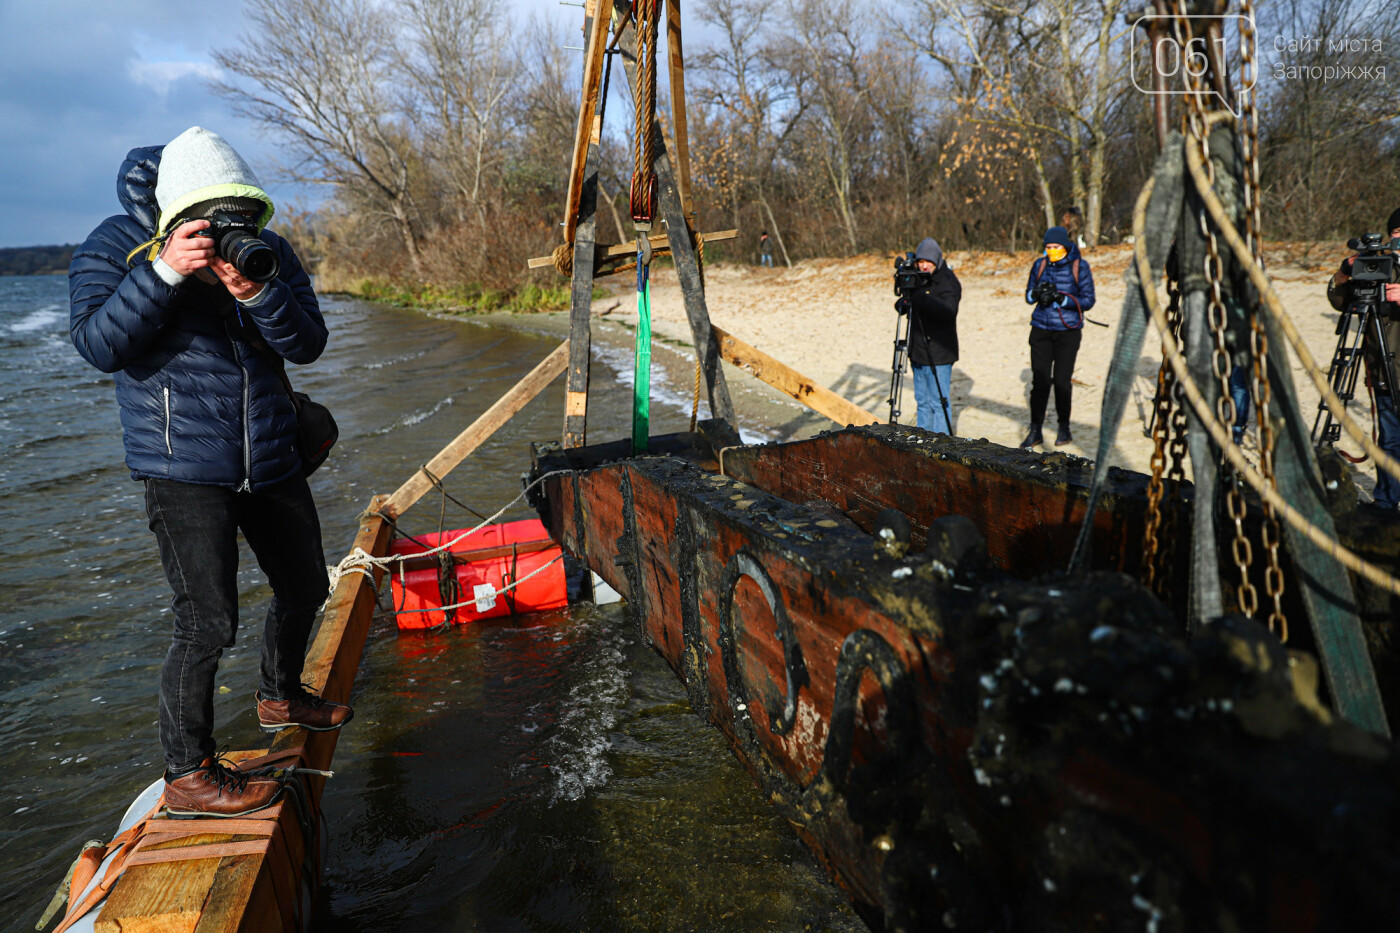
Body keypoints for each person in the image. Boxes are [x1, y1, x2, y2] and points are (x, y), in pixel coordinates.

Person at [68, 127, 351, 817]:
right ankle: (188, 772)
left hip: (270, 449)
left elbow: (308, 341)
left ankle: (282, 693)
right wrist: (164, 270)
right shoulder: (115, 243)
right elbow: (98, 344)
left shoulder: (265, 249)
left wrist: (257, 292)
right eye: (214, 216)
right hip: (181, 465)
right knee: (206, 621)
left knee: (306, 582)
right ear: (180, 210)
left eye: (241, 214)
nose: (230, 228)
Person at [1326, 207, 1400, 510]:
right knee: (1390, 440)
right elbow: (1339, 301)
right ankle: (1386, 502)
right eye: (1395, 235)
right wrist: (1344, 273)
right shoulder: (1378, 266)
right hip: (1385, 369)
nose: (1398, 242)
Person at [1020, 226, 1096, 448]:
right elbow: (1027, 295)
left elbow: (1088, 300)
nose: (1051, 250)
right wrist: (1038, 294)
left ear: (1065, 246)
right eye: (1048, 247)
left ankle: (1064, 427)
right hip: (1041, 329)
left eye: (1055, 247)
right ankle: (1035, 430)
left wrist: (1062, 299)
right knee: (1040, 382)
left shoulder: (1079, 266)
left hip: (1068, 331)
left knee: (1062, 382)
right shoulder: (1039, 264)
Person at [905, 237, 963, 434]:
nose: (923, 266)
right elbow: (908, 304)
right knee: (922, 401)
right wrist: (905, 301)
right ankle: (922, 443)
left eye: (928, 262)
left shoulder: (948, 281)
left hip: (940, 352)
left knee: (938, 402)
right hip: (918, 350)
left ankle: (941, 445)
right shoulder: (917, 278)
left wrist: (921, 298)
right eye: (920, 261)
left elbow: (948, 312)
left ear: (937, 261)